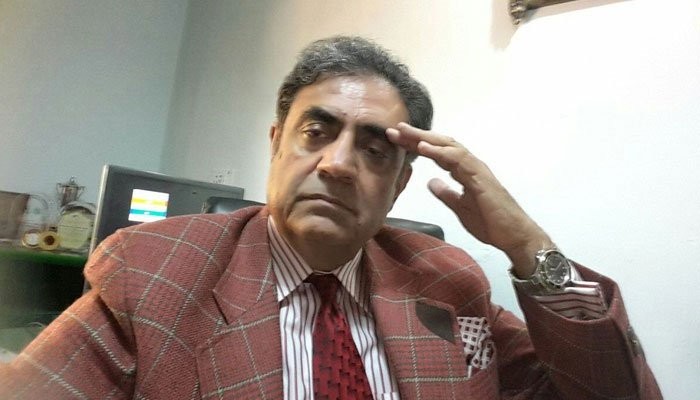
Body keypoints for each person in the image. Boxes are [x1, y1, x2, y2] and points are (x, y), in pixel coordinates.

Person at [0, 36, 661, 399]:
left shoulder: (448, 281)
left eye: (374, 150)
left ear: (399, 186)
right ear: (276, 144)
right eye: (316, 133)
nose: (339, 164)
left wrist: (527, 245)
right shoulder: (155, 272)